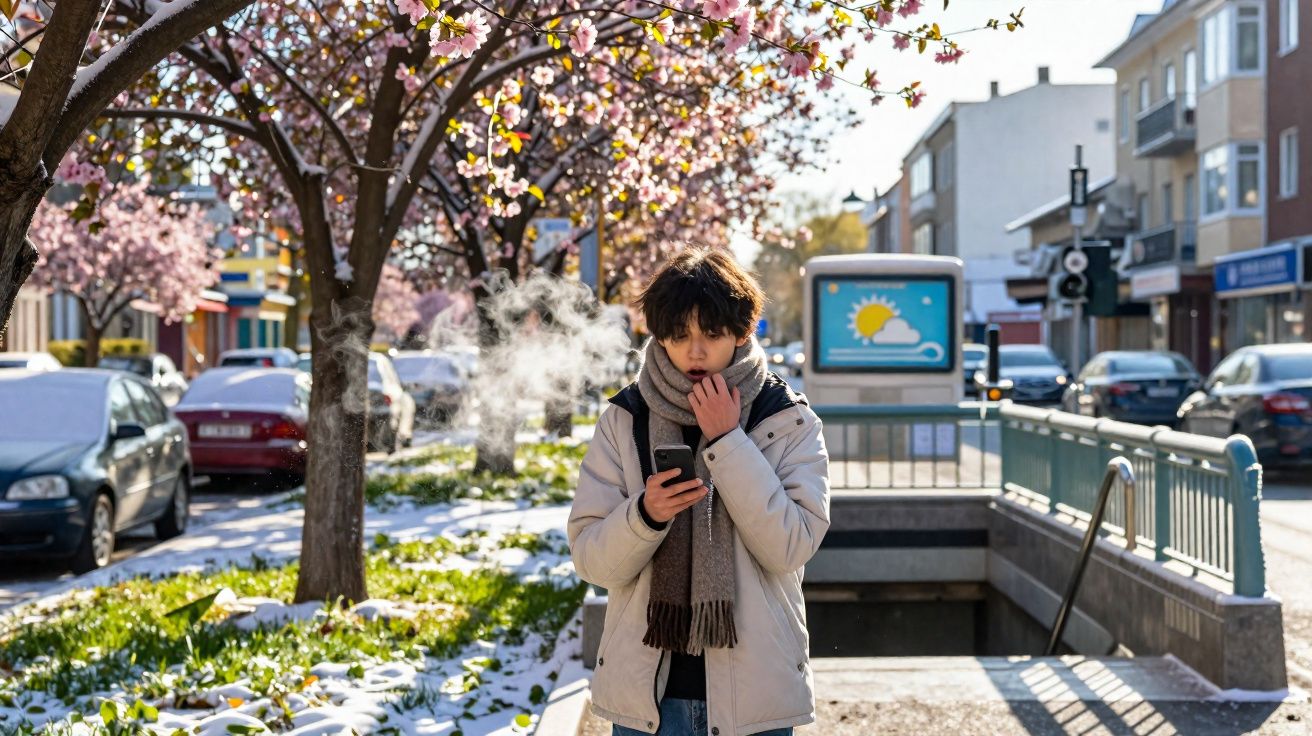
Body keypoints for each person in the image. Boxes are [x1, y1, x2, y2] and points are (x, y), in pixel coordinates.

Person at [569, 247, 831, 736]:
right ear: (657, 333)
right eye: (678, 335)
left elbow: (791, 547)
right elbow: (591, 561)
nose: (694, 352)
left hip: (755, 701)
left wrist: (730, 442)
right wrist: (645, 515)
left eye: (711, 334)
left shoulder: (786, 418)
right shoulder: (626, 418)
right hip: (647, 703)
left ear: (742, 330)